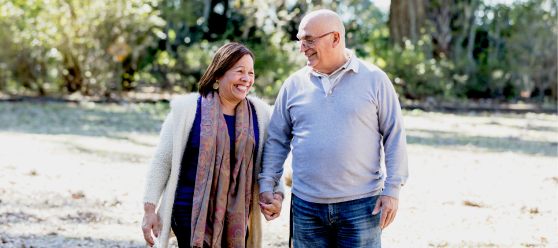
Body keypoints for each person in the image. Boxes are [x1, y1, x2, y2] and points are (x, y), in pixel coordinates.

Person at [258, 10, 409, 248]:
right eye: (300, 40)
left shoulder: (375, 79)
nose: (302, 48)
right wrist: (267, 184)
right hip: (306, 206)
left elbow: (394, 135)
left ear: (335, 38)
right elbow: (277, 140)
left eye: (309, 39)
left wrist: (392, 189)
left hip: (361, 206)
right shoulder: (293, 84)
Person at [141, 43, 285, 248]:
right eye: (240, 71)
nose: (247, 79)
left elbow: (268, 161)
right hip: (188, 209)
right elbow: (162, 161)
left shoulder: (259, 113)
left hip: (237, 214)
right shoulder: (187, 109)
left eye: (251, 73)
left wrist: (276, 194)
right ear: (218, 75)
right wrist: (149, 211)